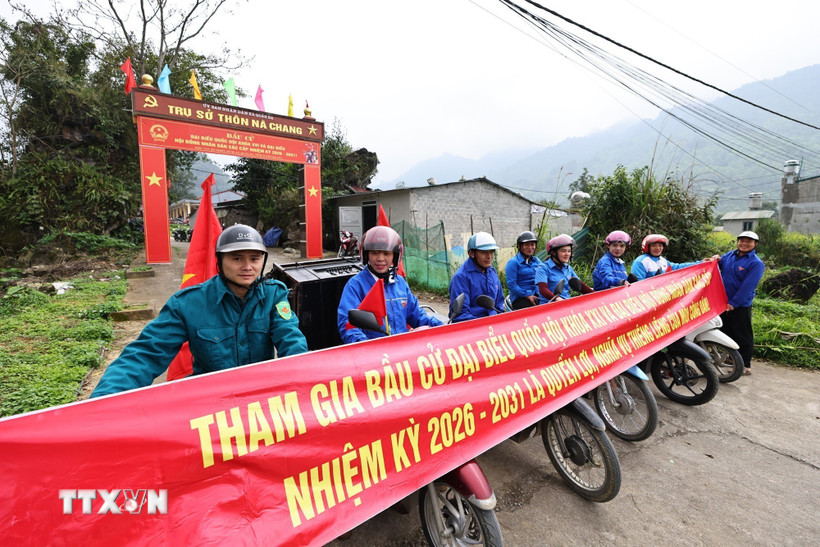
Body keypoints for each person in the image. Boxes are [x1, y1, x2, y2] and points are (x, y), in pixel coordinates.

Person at [91, 224, 308, 397]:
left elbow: (291, 340)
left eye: (254, 258)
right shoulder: (187, 303)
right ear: (220, 261)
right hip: (208, 406)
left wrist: (304, 382)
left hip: (263, 400)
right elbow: (145, 354)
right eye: (237, 258)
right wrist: (102, 402)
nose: (247, 267)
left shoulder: (273, 295)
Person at [337, 225, 441, 343]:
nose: (380, 258)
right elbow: (349, 327)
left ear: (395, 256)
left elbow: (417, 315)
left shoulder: (400, 282)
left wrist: (443, 327)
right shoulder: (355, 286)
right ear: (366, 255)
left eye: (386, 253)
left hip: (402, 353)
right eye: (375, 253)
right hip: (375, 355)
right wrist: (366, 348)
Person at [718, 231, 765, 375]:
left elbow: (748, 286)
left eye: (748, 241)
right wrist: (715, 259)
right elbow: (718, 264)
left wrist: (734, 303)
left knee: (743, 334)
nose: (744, 244)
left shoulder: (756, 263)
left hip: (740, 305)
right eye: (741, 241)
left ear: (755, 244)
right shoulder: (729, 256)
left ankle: (745, 364)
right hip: (723, 302)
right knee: (726, 331)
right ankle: (732, 359)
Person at [449, 232, 505, 322]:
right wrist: (484, 324)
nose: (489, 256)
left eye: (492, 251)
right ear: (472, 253)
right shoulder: (461, 278)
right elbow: (462, 315)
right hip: (473, 328)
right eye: (484, 252)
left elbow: (499, 305)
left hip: (494, 325)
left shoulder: (492, 272)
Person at [535, 234, 593, 301]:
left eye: (569, 251)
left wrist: (597, 295)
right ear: (554, 253)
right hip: (549, 307)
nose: (567, 254)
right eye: (563, 251)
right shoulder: (543, 268)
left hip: (566, 305)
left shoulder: (568, 268)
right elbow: (543, 289)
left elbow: (582, 286)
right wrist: (557, 299)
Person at [505, 231, 543, 309]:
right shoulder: (513, 262)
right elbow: (511, 284)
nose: (530, 248)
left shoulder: (537, 261)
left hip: (536, 295)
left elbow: (543, 278)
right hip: (520, 297)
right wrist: (527, 295)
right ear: (519, 246)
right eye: (526, 245)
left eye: (532, 244)